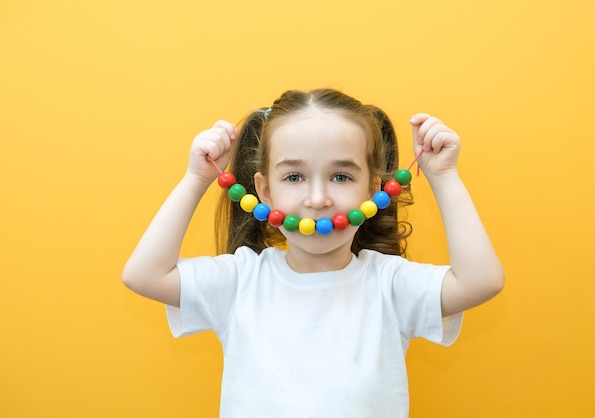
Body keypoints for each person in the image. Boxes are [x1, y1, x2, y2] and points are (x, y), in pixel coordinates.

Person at [122, 88, 504, 417]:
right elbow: (144, 275)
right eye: (293, 177)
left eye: (341, 176)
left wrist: (444, 176)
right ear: (264, 191)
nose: (318, 199)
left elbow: (480, 281)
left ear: (372, 190)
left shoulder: (390, 285)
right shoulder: (240, 282)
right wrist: (196, 179)